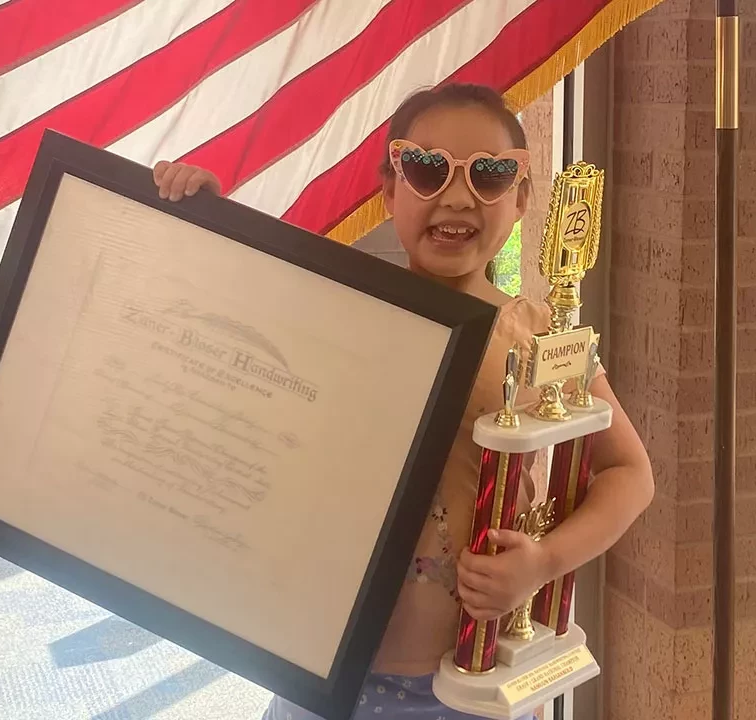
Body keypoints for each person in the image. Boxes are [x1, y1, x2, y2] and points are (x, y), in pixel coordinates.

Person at [153, 83, 654, 720]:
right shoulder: (343, 310)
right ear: (390, 192)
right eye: (425, 168)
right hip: (326, 666)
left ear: (523, 198)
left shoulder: (544, 334)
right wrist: (203, 219)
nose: (455, 195)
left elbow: (630, 474)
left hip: (475, 678)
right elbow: (232, 338)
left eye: (492, 175)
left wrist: (543, 563)